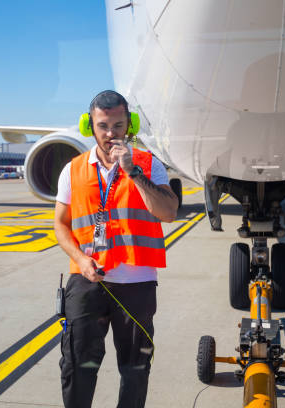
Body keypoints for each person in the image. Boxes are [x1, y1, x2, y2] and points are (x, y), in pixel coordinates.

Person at [54, 90, 179, 408]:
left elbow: (168, 212)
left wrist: (133, 172)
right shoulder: (73, 170)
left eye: (119, 125)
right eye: (103, 126)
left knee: (135, 371)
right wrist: (80, 259)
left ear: (130, 125)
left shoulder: (148, 165)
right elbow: (60, 225)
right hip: (87, 281)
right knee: (77, 366)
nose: (111, 134)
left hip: (136, 285)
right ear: (89, 126)